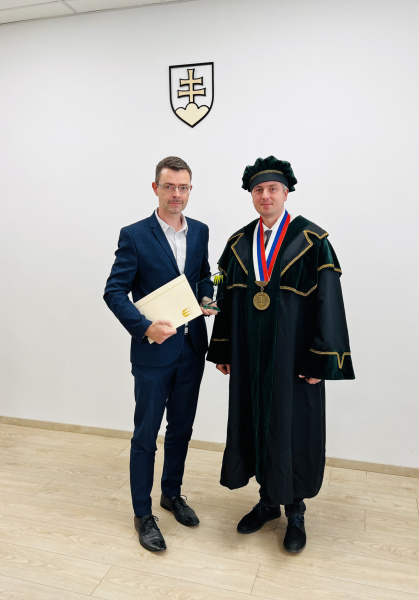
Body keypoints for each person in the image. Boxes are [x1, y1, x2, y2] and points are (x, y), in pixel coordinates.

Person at [207, 155, 355, 554]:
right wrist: (223, 349)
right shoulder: (239, 243)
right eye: (258, 189)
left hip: (294, 361)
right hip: (250, 358)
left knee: (293, 428)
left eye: (273, 188)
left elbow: (329, 303)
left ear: (286, 193)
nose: (265, 195)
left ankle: (296, 509)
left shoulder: (312, 240)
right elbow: (225, 298)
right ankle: (268, 503)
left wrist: (320, 359)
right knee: (255, 422)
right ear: (252, 196)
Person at [104, 156, 216, 553]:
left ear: (190, 190)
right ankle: (143, 514)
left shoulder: (200, 231)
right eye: (169, 186)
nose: (176, 194)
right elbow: (114, 291)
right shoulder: (134, 235)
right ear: (156, 188)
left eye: (183, 187)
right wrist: (144, 326)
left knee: (181, 429)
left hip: (191, 348)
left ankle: (171, 494)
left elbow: (203, 275)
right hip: (153, 353)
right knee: (146, 435)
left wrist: (207, 298)